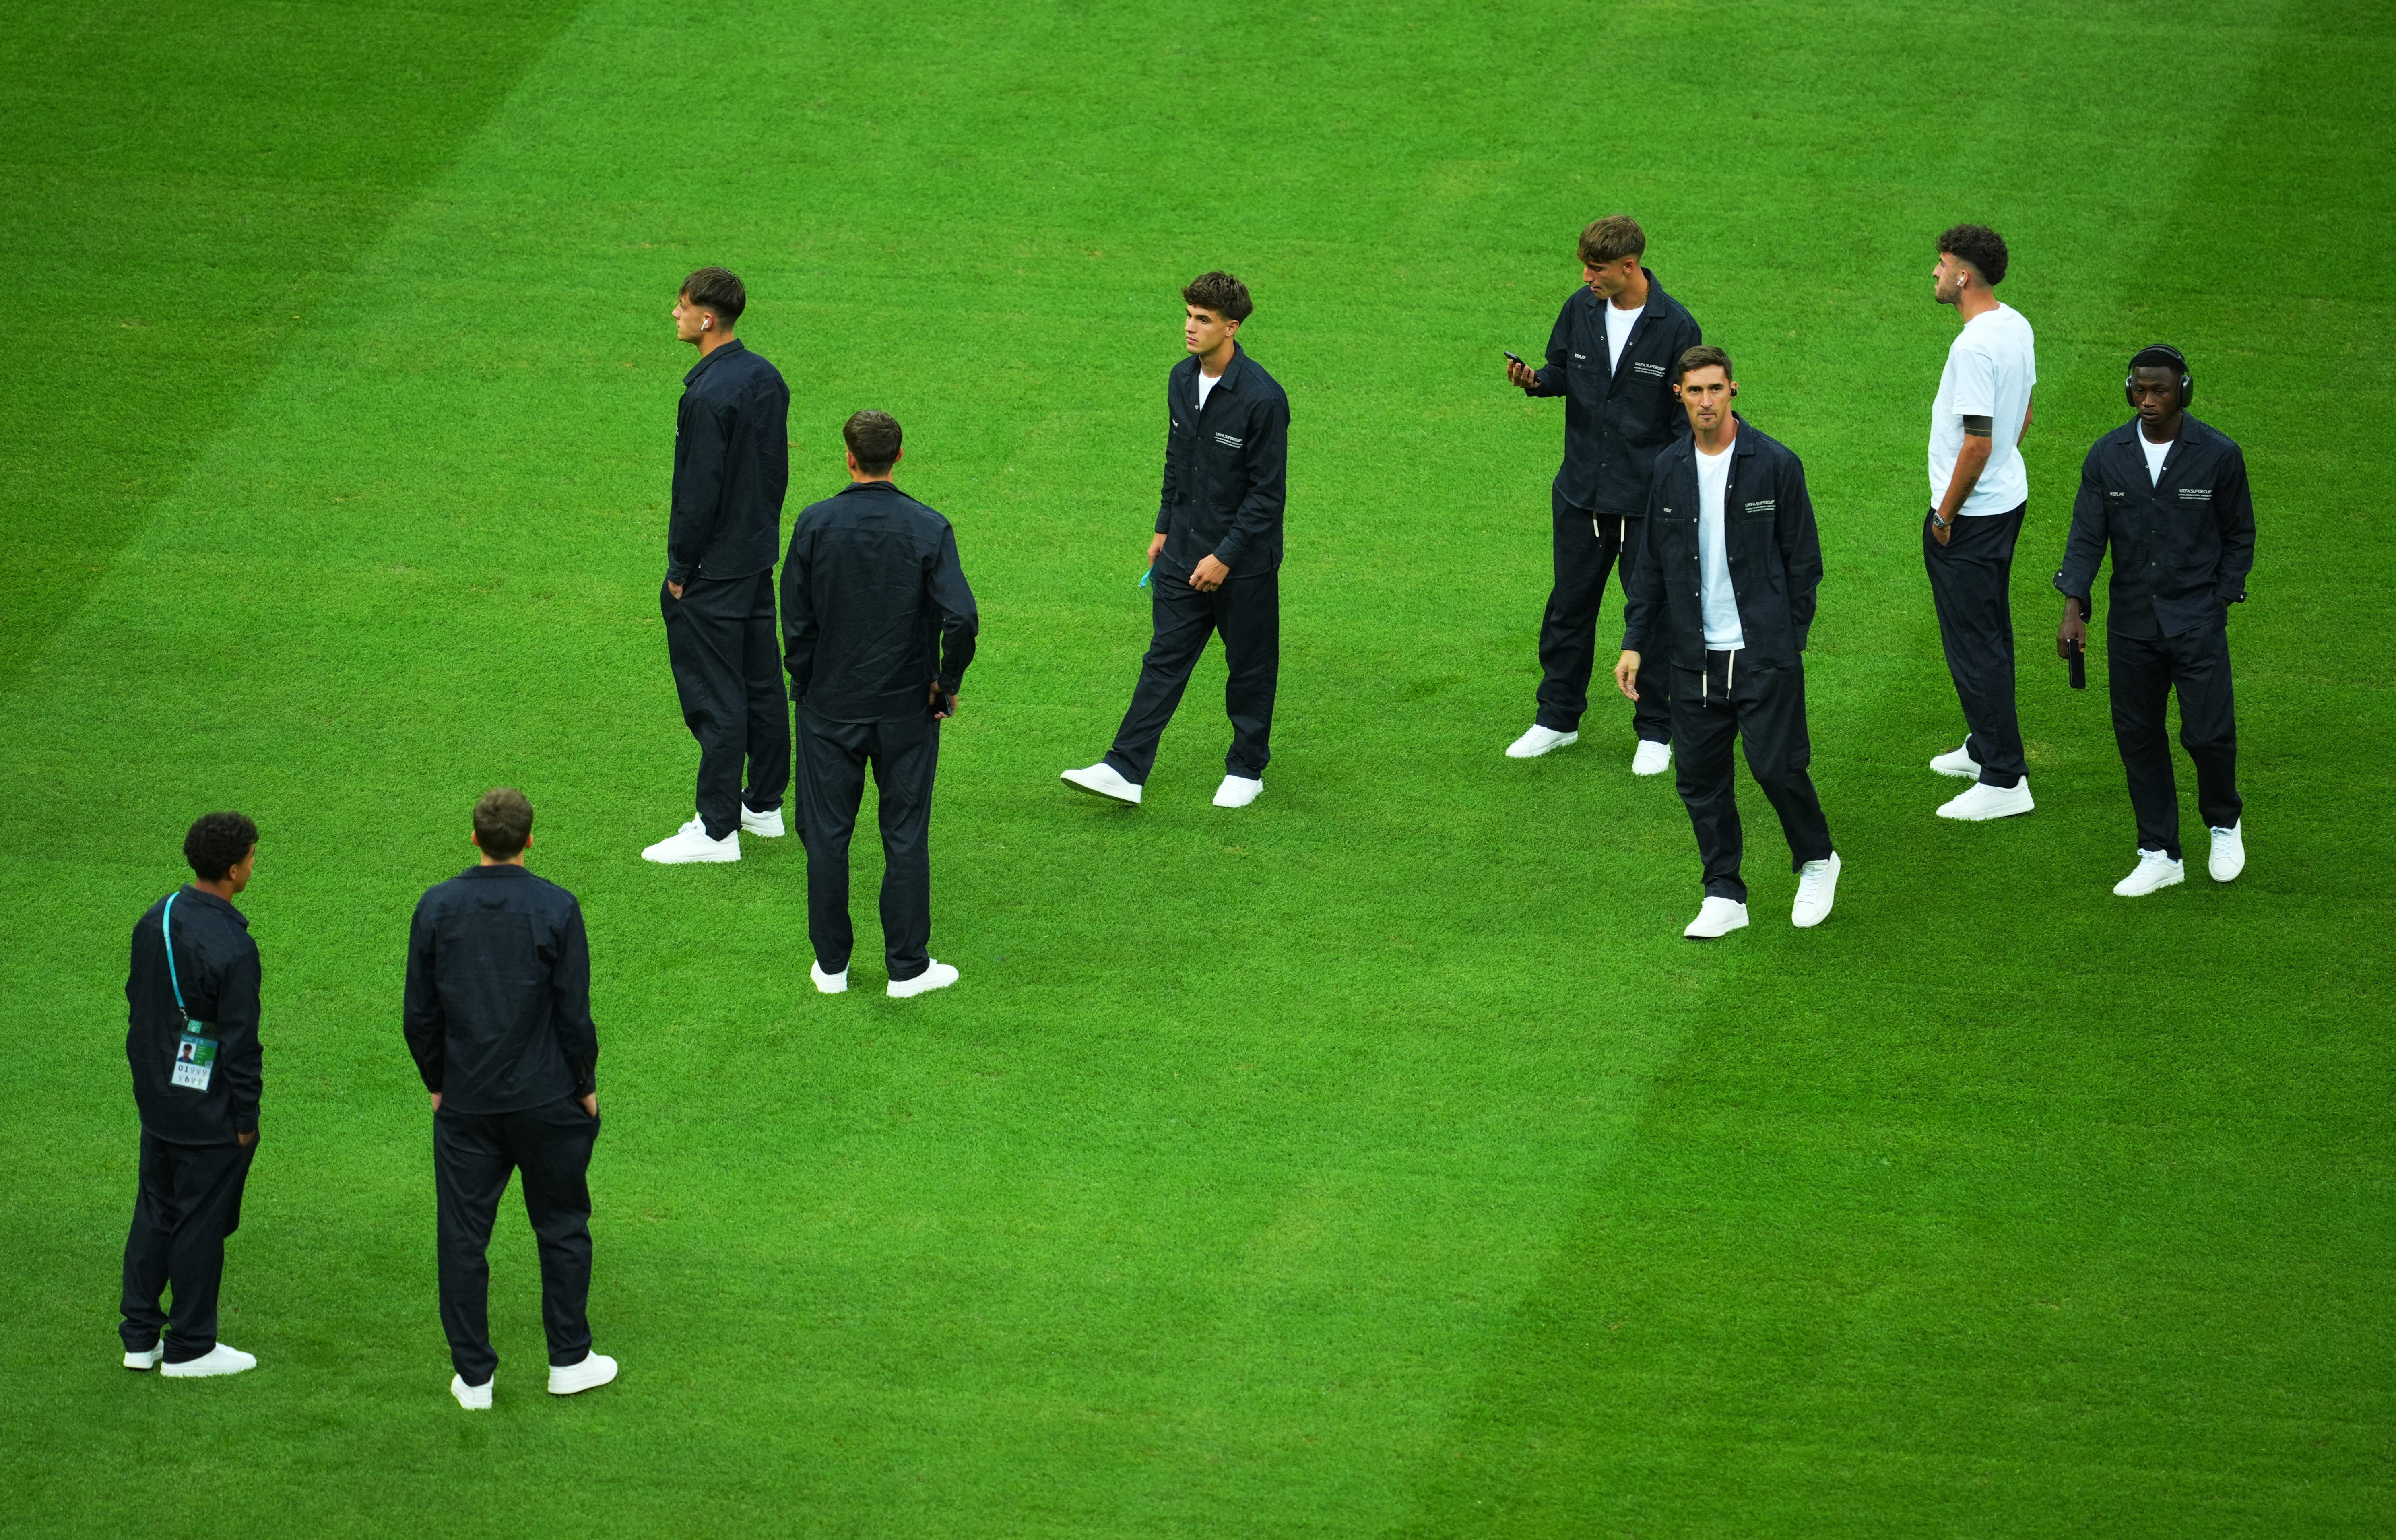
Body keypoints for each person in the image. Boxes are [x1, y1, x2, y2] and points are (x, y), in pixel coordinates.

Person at [1615, 347, 1839, 937]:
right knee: (1698, 779)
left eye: (1716, 389)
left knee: (1776, 768)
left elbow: (1804, 562)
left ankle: (1817, 858)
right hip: (1692, 657)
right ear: (1679, 396)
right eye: (1695, 391)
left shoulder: (1775, 464)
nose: (1706, 401)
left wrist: (1785, 640)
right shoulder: (1667, 468)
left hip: (1762, 655)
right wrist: (1635, 640)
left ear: (1733, 390)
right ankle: (1723, 892)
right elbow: (1651, 567)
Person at [404, 788, 615, 1410]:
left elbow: (419, 1015)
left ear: (474, 838)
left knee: (463, 1237)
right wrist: (586, 1086)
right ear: (530, 839)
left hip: (468, 1105)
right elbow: (574, 1015)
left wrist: (439, 1083)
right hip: (549, 1099)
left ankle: (474, 1378)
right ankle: (570, 1360)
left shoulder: (437, 906)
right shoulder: (557, 906)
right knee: (563, 1226)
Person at [1061, 271, 1290, 809]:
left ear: (1230, 328)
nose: (1190, 327)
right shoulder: (1179, 380)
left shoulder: (1262, 399)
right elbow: (1177, 460)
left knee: (1250, 666)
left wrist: (1224, 557)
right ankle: (1124, 768)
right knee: (1163, 660)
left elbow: (1266, 496)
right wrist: (1163, 526)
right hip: (1182, 552)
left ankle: (1246, 769)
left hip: (1244, 566)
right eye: (1188, 315)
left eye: (1203, 319)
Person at [782, 412, 978, 998]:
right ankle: (907, 968)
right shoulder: (928, 527)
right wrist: (947, 681)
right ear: (899, 456)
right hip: (905, 710)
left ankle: (833, 968)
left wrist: (807, 680)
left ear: (848, 456)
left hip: (829, 708)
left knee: (826, 837)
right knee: (904, 835)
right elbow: (961, 616)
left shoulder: (814, 523)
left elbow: (795, 618)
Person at [1504, 215, 1703, 774]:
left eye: (1597, 270)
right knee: (1567, 610)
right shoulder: (1580, 309)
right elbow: (1562, 370)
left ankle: (1656, 731)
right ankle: (1556, 719)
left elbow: (1683, 417)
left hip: (1644, 503)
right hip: (1579, 496)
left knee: (1651, 614)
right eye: (1585, 268)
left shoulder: (1675, 326)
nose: (1588, 277)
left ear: (1629, 266)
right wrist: (1536, 381)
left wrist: (1669, 488)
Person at [2054, 345, 2255, 896]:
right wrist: (2073, 606)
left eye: (2159, 390)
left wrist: (2219, 599)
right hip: (2131, 627)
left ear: (2182, 391)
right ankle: (2159, 851)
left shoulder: (2217, 454)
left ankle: (2222, 821)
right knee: (2138, 737)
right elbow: (2085, 537)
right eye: (2139, 390)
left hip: (2197, 623)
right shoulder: (2106, 456)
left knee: (2208, 733)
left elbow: (2239, 534)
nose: (2147, 400)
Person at [644, 266, 794, 864]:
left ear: (708, 318)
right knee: (761, 682)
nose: (675, 315)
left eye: (681, 307)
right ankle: (764, 805)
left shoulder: (707, 394)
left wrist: (682, 565)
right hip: (755, 556)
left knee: (715, 692)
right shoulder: (765, 377)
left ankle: (716, 831)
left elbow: (698, 489)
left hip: (713, 568)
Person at [120, 811, 264, 1378]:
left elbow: (139, 998)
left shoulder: (157, 916)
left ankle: (139, 1337)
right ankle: (190, 1346)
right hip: (209, 1109)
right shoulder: (234, 946)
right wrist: (245, 1117)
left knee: (156, 1210)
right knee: (200, 1221)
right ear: (232, 869)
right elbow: (240, 1044)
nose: (255, 864)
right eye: (252, 857)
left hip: (157, 1099)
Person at [1921, 224, 2039, 820]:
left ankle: (2003, 778)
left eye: (1942, 266)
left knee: (1974, 644)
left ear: (1963, 275)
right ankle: (1983, 744)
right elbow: (2021, 412)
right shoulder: (2014, 324)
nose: (1936, 275)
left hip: (1969, 517)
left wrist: (1945, 512)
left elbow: (1976, 442)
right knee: (1988, 632)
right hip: (2004, 502)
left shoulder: (1971, 347)